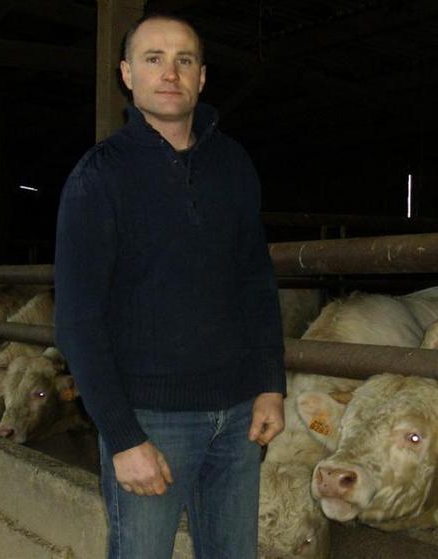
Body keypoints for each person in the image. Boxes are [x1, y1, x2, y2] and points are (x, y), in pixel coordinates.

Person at [53, 13, 286, 559]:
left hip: (236, 413)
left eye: (184, 60)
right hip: (150, 418)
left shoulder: (233, 163)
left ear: (201, 77)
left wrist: (270, 381)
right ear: (127, 74)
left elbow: (255, 279)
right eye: (153, 58)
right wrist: (123, 436)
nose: (170, 72)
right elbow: (78, 320)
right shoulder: (99, 177)